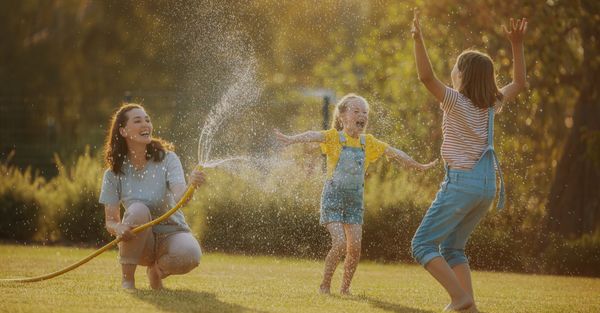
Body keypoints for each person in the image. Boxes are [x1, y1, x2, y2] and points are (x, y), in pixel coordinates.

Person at [410, 9, 527, 311]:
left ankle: (459, 297)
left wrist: (418, 40)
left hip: (461, 185)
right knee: (453, 247)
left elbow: (425, 77)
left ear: (461, 75)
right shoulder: (491, 104)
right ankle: (469, 306)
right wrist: (516, 44)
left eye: (455, 68)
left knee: (422, 244)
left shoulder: (455, 100)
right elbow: (519, 83)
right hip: (486, 189)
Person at [275, 94, 437, 295]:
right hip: (333, 199)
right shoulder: (334, 138)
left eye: (365, 112)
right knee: (340, 243)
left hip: (354, 201)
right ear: (342, 116)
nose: (362, 115)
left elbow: (395, 152)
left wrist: (418, 165)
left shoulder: (367, 142)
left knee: (355, 248)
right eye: (356, 111)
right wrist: (291, 139)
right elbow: (312, 135)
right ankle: (325, 285)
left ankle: (345, 289)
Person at [99, 103, 205, 290]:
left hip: (172, 233)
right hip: (139, 244)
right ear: (123, 131)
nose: (146, 124)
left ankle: (156, 272)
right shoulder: (113, 174)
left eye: (147, 120)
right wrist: (119, 228)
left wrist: (191, 186)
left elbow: (182, 198)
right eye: (138, 121)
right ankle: (128, 280)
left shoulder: (168, 159)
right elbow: (110, 221)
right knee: (138, 210)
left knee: (191, 254)